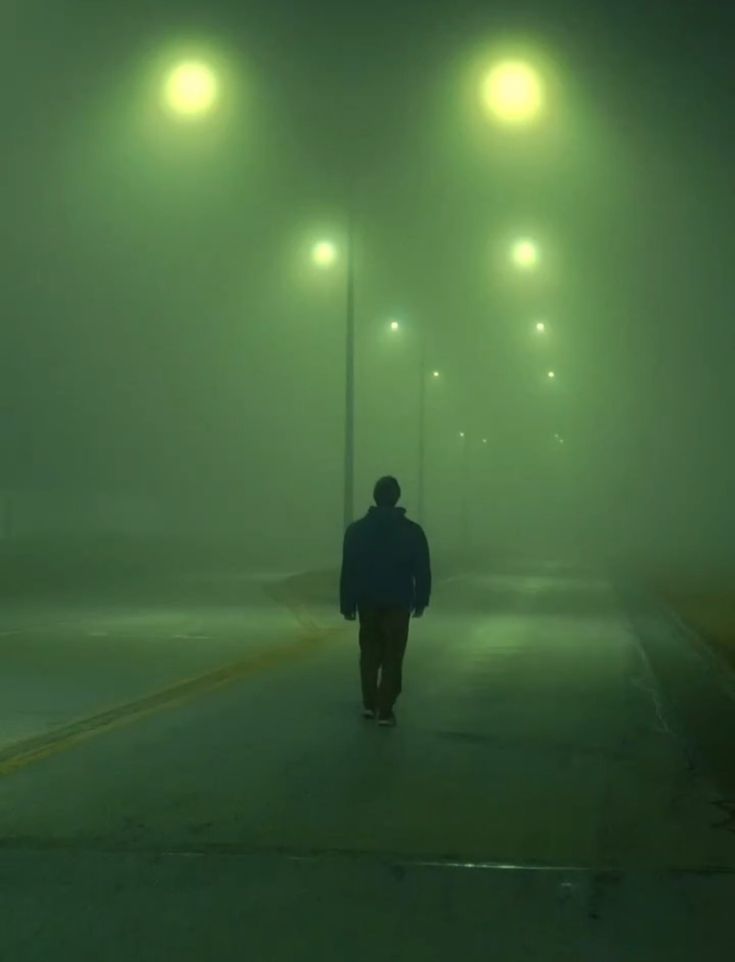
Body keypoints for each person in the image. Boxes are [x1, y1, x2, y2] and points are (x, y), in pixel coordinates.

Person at [339, 475, 431, 726]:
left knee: (369, 652)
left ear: (375, 497)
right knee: (393, 655)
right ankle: (385, 708)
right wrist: (421, 600)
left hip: (367, 600)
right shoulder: (412, 532)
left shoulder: (356, 531)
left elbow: (349, 569)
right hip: (398, 602)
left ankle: (369, 703)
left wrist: (347, 604)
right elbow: (421, 569)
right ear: (397, 497)